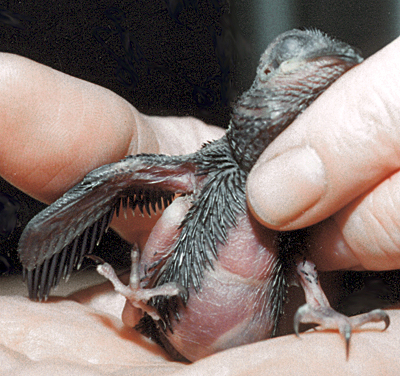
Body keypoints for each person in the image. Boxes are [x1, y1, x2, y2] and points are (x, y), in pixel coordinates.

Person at [0, 34, 399, 374]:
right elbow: (123, 176)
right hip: (167, 319)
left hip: (249, 342)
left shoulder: (300, 218)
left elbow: (306, 263)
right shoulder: (207, 167)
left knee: (300, 253)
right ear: (263, 81)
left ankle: (318, 308)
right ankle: (138, 296)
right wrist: (83, 209)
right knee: (175, 212)